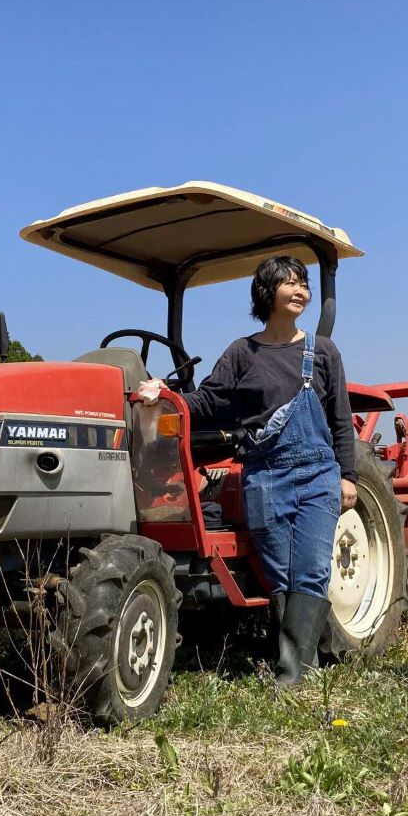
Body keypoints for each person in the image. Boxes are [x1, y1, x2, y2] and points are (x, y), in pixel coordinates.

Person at [145, 255, 358, 684]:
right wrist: (167, 395)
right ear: (266, 292)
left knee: (313, 567)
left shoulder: (322, 351)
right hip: (264, 474)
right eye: (290, 283)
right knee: (278, 571)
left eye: (304, 284)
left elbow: (340, 418)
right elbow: (209, 400)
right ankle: (295, 665)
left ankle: (294, 674)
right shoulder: (242, 352)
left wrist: (347, 475)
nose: (300, 291)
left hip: (318, 474)